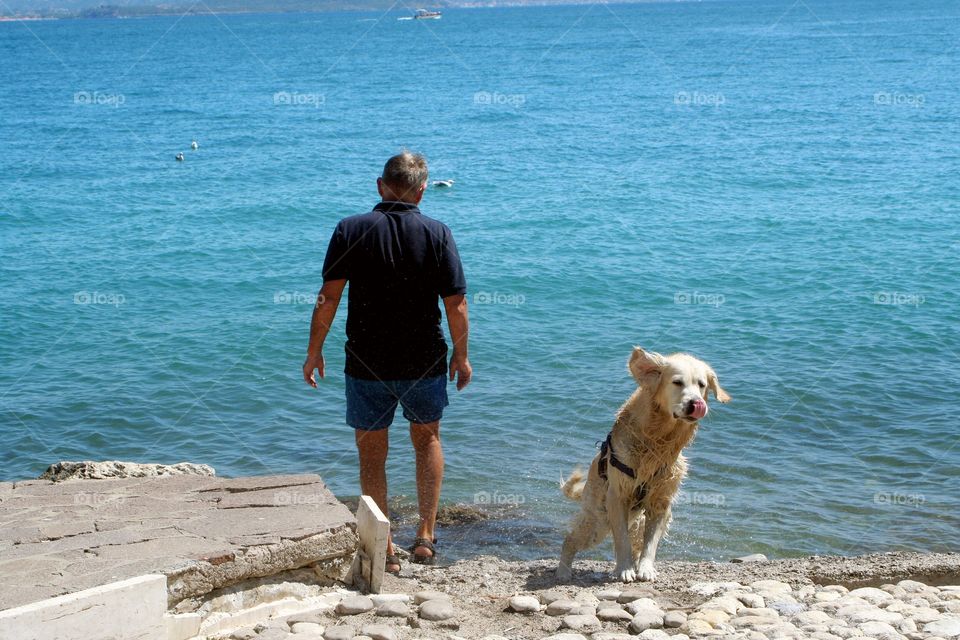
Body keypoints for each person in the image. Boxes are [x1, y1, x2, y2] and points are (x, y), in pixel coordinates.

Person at [302, 151, 471, 573]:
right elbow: (457, 304)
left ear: (380, 185)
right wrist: (462, 355)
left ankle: (385, 545)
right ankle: (426, 537)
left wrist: (313, 350)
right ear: (422, 190)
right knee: (427, 441)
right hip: (424, 360)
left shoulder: (350, 229)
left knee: (371, 453)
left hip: (365, 361)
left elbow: (329, 297)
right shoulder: (438, 233)